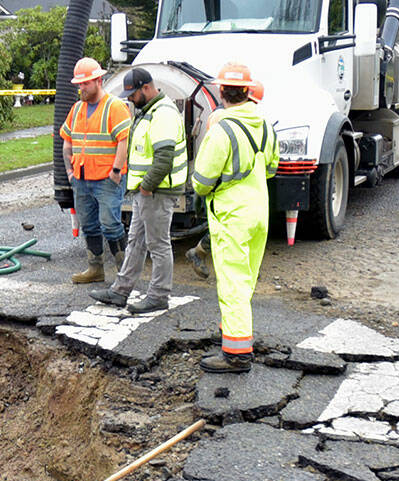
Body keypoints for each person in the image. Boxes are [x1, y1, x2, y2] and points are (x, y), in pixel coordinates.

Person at [191, 63, 278, 373]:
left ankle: (237, 354)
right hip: (260, 213)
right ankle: (233, 330)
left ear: (221, 91)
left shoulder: (222, 129)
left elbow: (201, 181)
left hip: (232, 216)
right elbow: (270, 168)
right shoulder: (265, 125)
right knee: (245, 280)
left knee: (232, 285)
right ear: (247, 92)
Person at [89, 68, 188, 313]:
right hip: (147, 192)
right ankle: (120, 291)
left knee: (158, 244)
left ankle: (158, 296)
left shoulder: (162, 114)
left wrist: (146, 187)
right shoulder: (149, 111)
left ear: (146, 88)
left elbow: (163, 158)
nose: (130, 99)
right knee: (135, 241)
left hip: (157, 192)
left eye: (133, 94)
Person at [60, 57, 131, 283]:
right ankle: (95, 269)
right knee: (89, 224)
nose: (81, 88)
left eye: (85, 84)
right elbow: (67, 142)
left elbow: (123, 142)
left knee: (111, 224)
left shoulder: (114, 107)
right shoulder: (77, 108)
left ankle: (125, 272)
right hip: (81, 179)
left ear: (98, 81)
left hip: (107, 180)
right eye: (79, 84)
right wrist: (70, 173)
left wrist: (116, 172)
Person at [184, 80, 262, 280]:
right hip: (220, 180)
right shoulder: (223, 118)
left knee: (220, 227)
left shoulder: (229, 117)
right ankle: (204, 255)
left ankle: (200, 253)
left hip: (219, 178)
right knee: (223, 228)